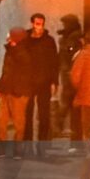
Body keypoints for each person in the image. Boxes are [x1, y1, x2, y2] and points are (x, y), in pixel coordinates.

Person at [24, 13, 59, 153]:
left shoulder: (49, 41)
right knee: (27, 114)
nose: (39, 27)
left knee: (44, 115)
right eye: (37, 23)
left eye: (42, 24)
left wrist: (54, 81)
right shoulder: (25, 39)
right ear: (32, 24)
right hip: (28, 81)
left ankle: (42, 147)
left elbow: (54, 62)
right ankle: (27, 145)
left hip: (44, 82)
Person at [0, 28, 33, 156]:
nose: (7, 36)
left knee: (19, 122)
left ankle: (18, 150)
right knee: (2, 120)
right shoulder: (11, 51)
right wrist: (0, 87)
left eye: (10, 35)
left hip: (18, 92)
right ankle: (1, 148)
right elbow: (6, 72)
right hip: (7, 90)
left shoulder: (23, 52)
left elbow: (23, 74)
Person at [56, 14, 84, 145]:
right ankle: (73, 138)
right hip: (67, 76)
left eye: (65, 24)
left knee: (73, 109)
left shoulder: (75, 38)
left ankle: (75, 139)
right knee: (71, 108)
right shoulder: (68, 37)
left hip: (73, 77)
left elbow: (71, 56)